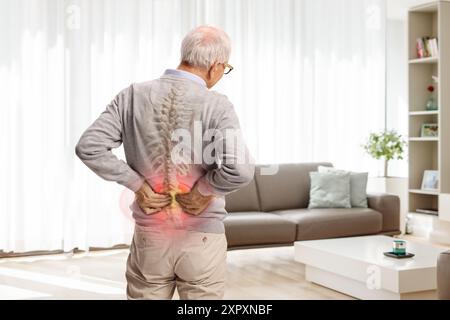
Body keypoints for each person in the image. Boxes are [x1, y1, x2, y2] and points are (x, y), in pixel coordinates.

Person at [75, 25, 255, 299]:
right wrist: (205, 189)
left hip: (152, 236)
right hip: (202, 237)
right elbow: (240, 169)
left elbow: (89, 146)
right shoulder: (217, 105)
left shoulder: (132, 96)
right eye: (226, 69)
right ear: (216, 67)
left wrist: (138, 185)